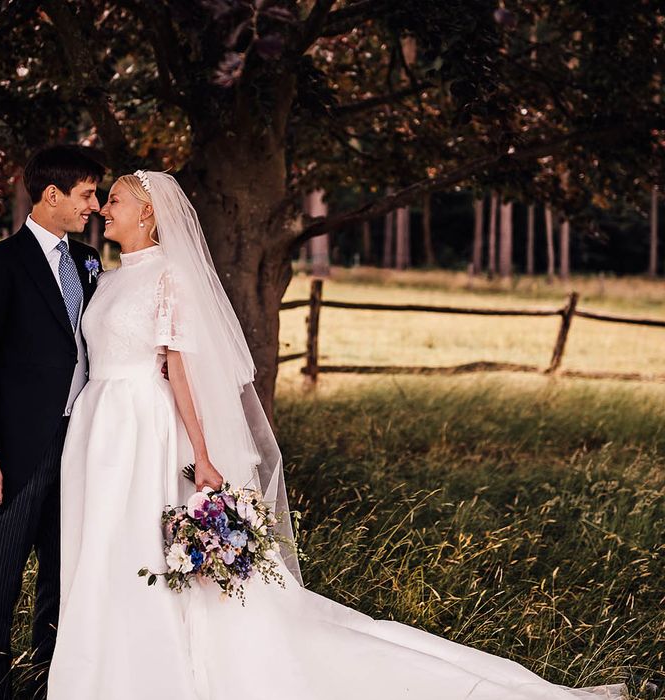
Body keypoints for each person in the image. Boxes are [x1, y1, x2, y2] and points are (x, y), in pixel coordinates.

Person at [47, 170, 626, 700]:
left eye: (115, 200)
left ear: (148, 213)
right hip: (101, 431)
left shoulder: (169, 278)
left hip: (145, 432)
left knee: (140, 552)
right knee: (104, 549)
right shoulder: (110, 276)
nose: (103, 208)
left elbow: (180, 369)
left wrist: (202, 454)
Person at [0, 144, 105, 699]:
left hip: (82, 441)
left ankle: (49, 680)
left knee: (63, 574)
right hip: (17, 450)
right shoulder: (0, 263)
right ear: (52, 195)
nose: (94, 205)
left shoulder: (89, 261)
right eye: (86, 194)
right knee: (0, 574)